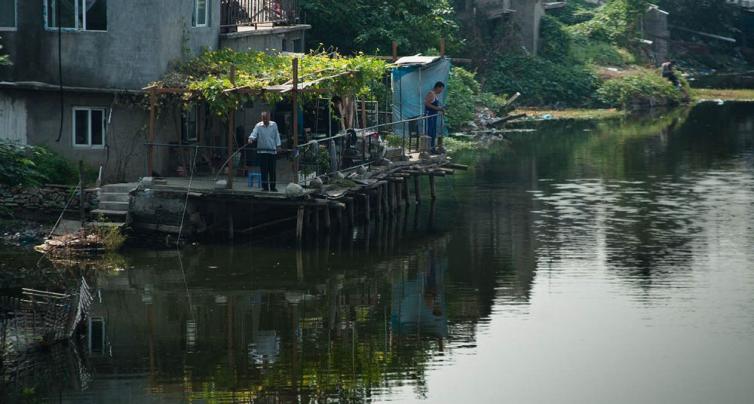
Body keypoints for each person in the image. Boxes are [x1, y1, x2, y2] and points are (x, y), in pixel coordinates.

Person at [248, 112, 282, 192]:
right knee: (264, 170)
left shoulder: (274, 124)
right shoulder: (258, 125)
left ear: (269, 117)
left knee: (272, 170)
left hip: (272, 151)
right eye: (264, 118)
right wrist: (251, 138)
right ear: (262, 118)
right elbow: (254, 133)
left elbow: (277, 135)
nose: (265, 120)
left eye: (266, 118)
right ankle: (265, 187)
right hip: (262, 151)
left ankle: (273, 187)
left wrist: (278, 145)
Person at [424, 81, 446, 154]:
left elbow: (434, 105)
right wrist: (438, 109)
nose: (441, 91)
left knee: (433, 132)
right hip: (430, 115)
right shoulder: (431, 93)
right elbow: (427, 104)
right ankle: (429, 149)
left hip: (434, 115)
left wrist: (441, 108)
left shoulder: (435, 95)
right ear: (438, 87)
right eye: (441, 89)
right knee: (430, 132)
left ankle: (433, 148)